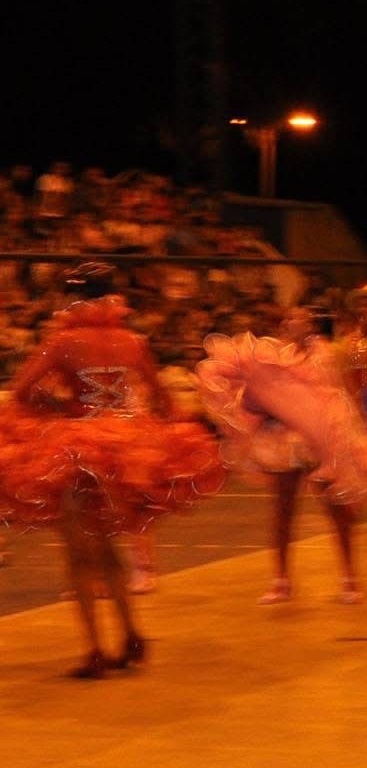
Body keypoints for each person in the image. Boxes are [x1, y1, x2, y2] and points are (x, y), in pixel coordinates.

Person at [0, 263, 223, 675]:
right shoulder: (133, 341)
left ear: (73, 297)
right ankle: (131, 633)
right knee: (106, 548)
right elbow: (161, 399)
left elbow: (22, 390)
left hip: (77, 452)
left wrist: (60, 405)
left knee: (79, 554)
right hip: (125, 451)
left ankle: (95, 650)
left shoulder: (63, 341)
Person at [196, 305, 367, 603]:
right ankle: (281, 580)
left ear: (311, 324)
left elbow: (340, 392)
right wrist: (266, 410)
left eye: (303, 318)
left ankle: (349, 578)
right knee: (283, 509)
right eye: (291, 318)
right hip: (284, 439)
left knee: (336, 507)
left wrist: (354, 428)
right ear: (283, 325)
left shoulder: (324, 353)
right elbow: (250, 394)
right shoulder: (268, 356)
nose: (297, 322)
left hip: (322, 438)